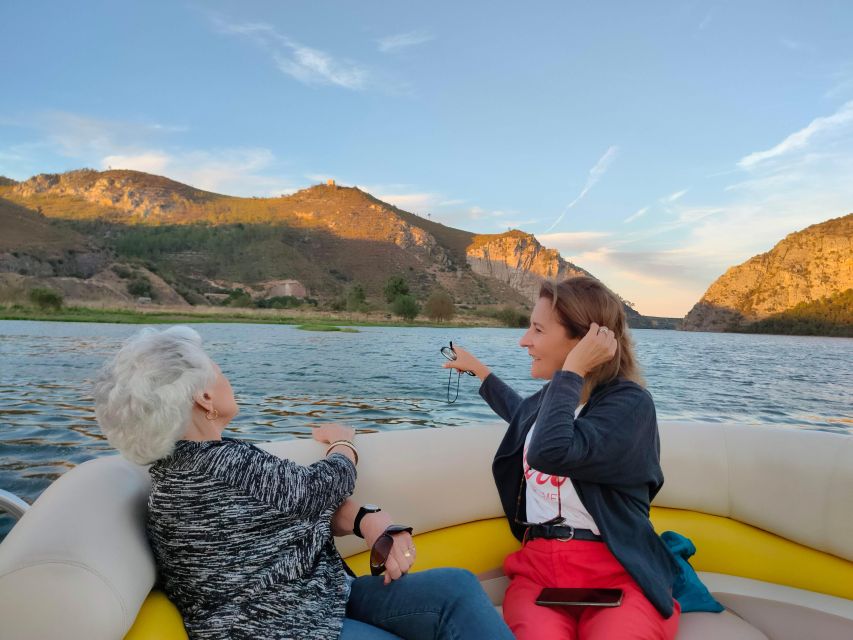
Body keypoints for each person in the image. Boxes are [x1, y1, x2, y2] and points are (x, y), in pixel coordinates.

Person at [93, 326, 512, 640]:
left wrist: (365, 518)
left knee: (455, 585)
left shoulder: (182, 470)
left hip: (318, 596)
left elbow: (281, 516)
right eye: (218, 371)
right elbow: (324, 486)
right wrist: (344, 443)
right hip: (282, 627)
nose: (226, 379)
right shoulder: (222, 464)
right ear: (203, 398)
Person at [443, 276, 681, 640]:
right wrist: (480, 372)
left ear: (584, 341)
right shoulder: (549, 403)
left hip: (617, 571)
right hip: (539, 573)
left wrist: (572, 370)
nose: (524, 340)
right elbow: (523, 414)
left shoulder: (629, 406)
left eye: (537, 329)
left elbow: (549, 451)